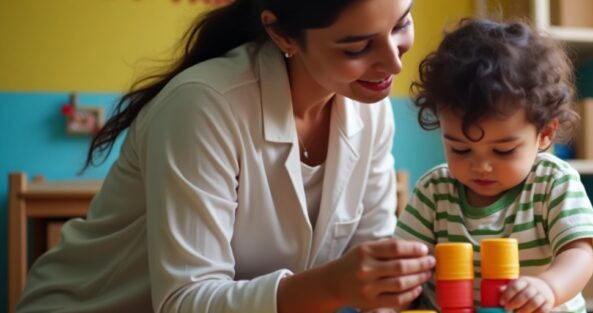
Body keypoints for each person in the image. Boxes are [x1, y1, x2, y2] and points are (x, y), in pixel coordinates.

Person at [16, 1, 435, 312]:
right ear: (282, 34)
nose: (394, 62)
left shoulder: (369, 107)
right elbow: (185, 300)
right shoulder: (203, 106)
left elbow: (374, 264)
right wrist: (334, 286)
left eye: (402, 24)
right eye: (357, 46)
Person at [394, 19, 593, 313]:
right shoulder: (435, 191)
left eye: (503, 151)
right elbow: (405, 268)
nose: (481, 166)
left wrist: (548, 286)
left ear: (544, 134)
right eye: (460, 148)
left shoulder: (553, 182)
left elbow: (579, 255)